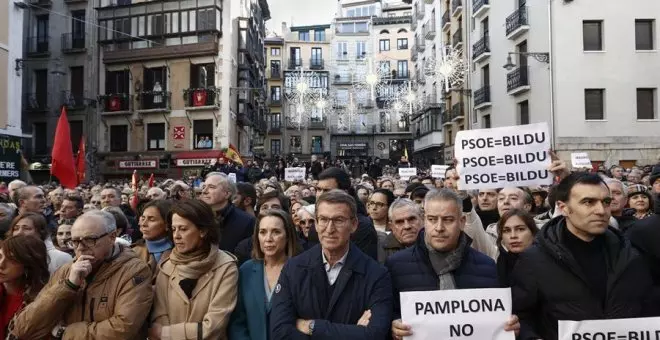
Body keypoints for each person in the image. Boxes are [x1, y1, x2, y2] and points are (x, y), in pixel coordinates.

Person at [512, 173, 654, 340]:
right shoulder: (534, 260)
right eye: (588, 202)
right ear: (563, 207)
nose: (601, 211)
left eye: (605, 202)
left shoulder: (630, 254)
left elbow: (648, 307)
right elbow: (521, 317)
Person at [386, 189, 519, 340]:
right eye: (432, 219)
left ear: (462, 222)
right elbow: (386, 313)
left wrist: (510, 326)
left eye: (448, 219)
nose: (439, 228)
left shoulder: (487, 266)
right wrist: (393, 325)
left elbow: (502, 319)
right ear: (424, 220)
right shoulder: (396, 265)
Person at [8, 210, 153, 339]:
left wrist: (64, 333)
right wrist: (68, 286)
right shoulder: (67, 270)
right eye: (75, 241)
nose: (81, 248)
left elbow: (123, 328)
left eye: (90, 240)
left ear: (112, 237)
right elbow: (23, 327)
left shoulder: (135, 270)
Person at [270, 190, 393, 339]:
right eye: (323, 219)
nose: (329, 229)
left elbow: (375, 335)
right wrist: (354, 332)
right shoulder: (293, 269)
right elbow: (279, 331)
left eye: (339, 220)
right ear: (316, 223)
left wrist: (312, 327)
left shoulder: (376, 274)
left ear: (353, 224)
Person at [150, 199, 238, 340]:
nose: (176, 236)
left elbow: (215, 325)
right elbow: (160, 316)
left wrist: (166, 334)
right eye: (173, 229)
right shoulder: (167, 267)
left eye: (183, 229)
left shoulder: (226, 266)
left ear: (202, 231)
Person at [228, 209, 301, 340]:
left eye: (276, 232)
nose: (268, 239)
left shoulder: (301, 270)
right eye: (263, 232)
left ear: (288, 235)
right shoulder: (247, 269)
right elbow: (237, 321)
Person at [309, 168, 379, 260]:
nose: (320, 195)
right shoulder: (316, 224)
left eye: (327, 190)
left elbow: (366, 266)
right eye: (318, 189)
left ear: (344, 192)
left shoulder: (363, 227)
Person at [0, 235, 49, 340]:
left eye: (11, 259)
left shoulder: (40, 300)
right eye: (0, 256)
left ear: (29, 264)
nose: (1, 264)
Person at [201, 173, 255, 253]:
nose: (204, 191)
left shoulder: (247, 221)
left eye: (211, 187)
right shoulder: (195, 217)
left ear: (227, 194)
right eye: (203, 187)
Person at [8, 213, 72, 274]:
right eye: (16, 229)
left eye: (26, 228)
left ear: (40, 233)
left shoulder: (60, 258)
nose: (19, 232)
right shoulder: (6, 255)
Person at [495, 209, 539, 287]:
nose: (513, 236)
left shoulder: (547, 262)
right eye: (506, 230)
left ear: (532, 232)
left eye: (520, 229)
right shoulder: (499, 264)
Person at [132, 199, 173, 280]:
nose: (144, 224)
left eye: (151, 219)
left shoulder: (180, 253)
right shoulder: (132, 253)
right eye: (143, 218)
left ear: (167, 224)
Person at [378, 198, 423, 263]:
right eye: (399, 222)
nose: (407, 226)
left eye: (411, 219)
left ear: (422, 219)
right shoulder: (380, 250)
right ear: (391, 226)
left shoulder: (436, 245)